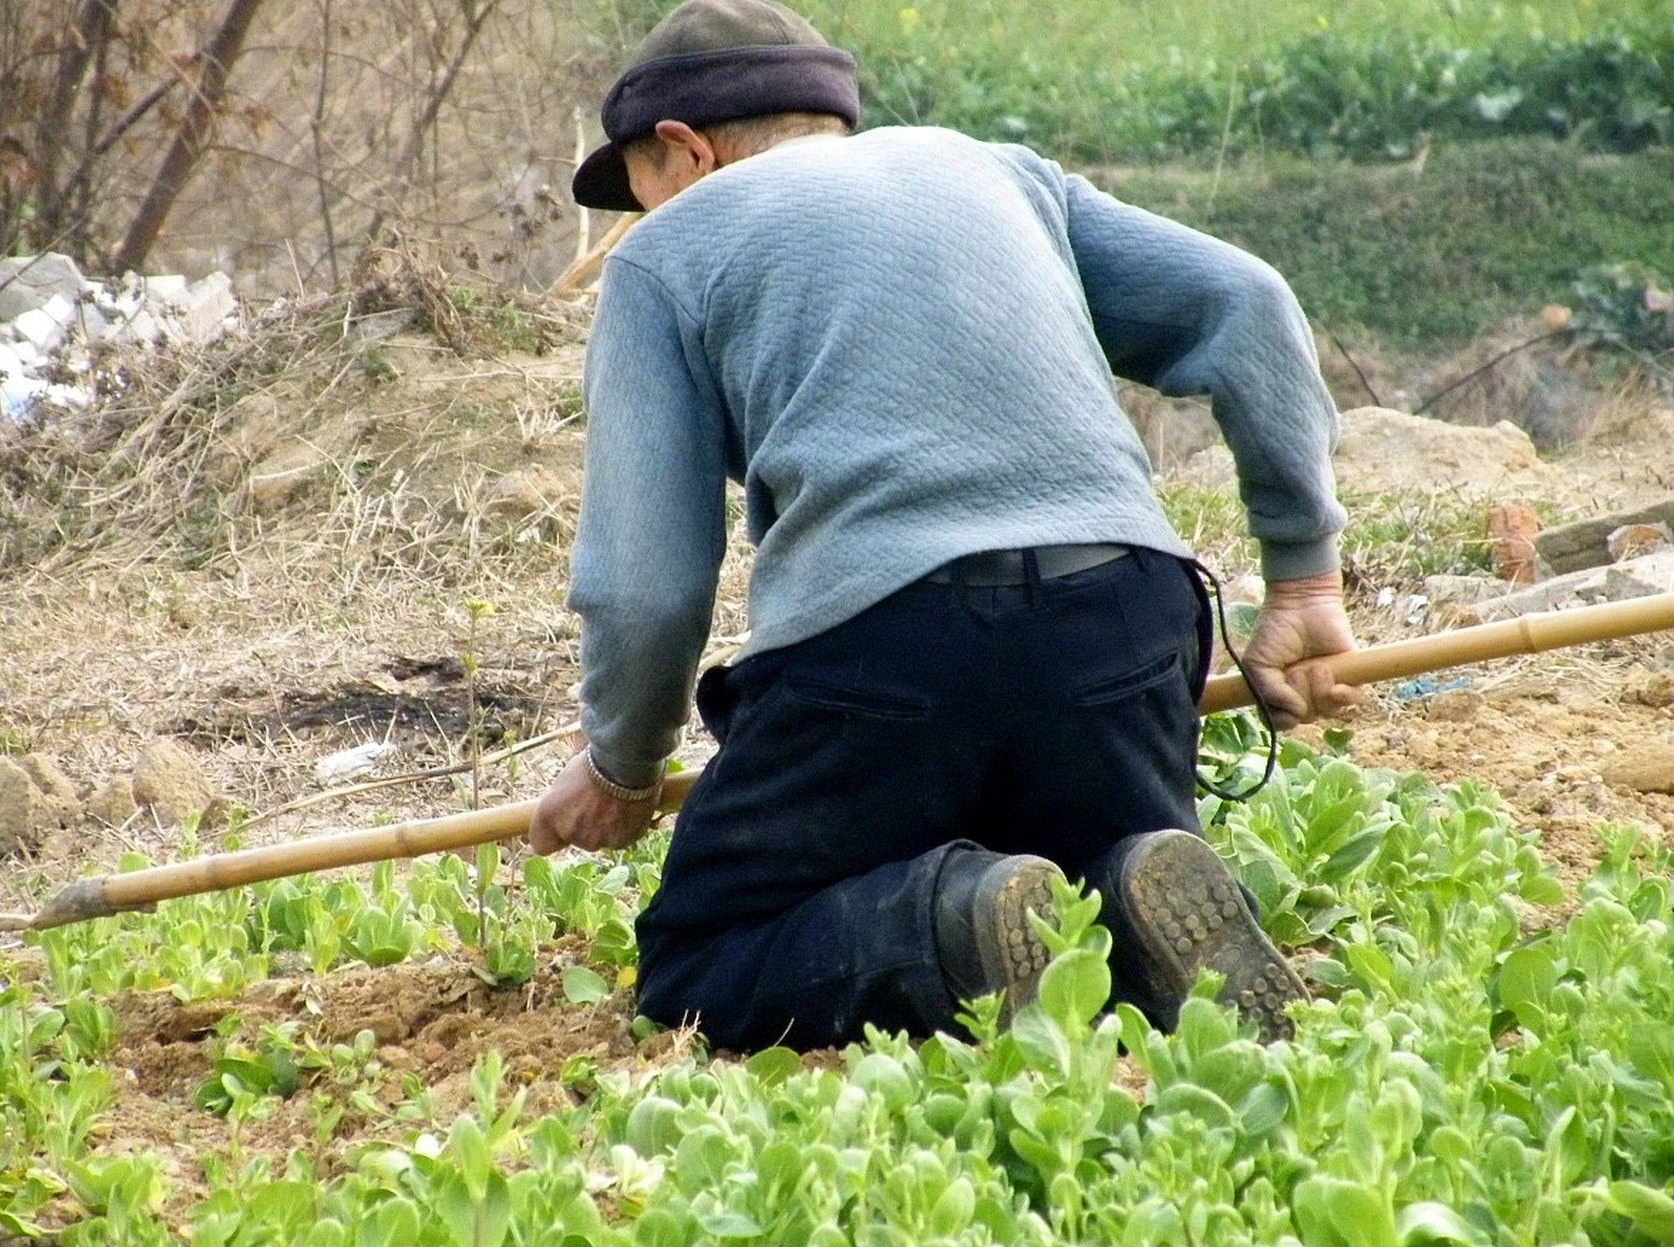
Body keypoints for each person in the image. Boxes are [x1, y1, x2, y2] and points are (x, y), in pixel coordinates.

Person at [527, 0, 1358, 1051]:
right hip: (1123, 617)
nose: (638, 219)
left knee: (702, 958)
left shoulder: (667, 252)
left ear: (683, 151)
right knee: (1075, 873)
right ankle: (1120, 879)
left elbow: (646, 585)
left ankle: (946, 926)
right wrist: (1303, 582)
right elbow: (1247, 302)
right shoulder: (998, 171)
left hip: (885, 649)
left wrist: (623, 764)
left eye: (636, 189)